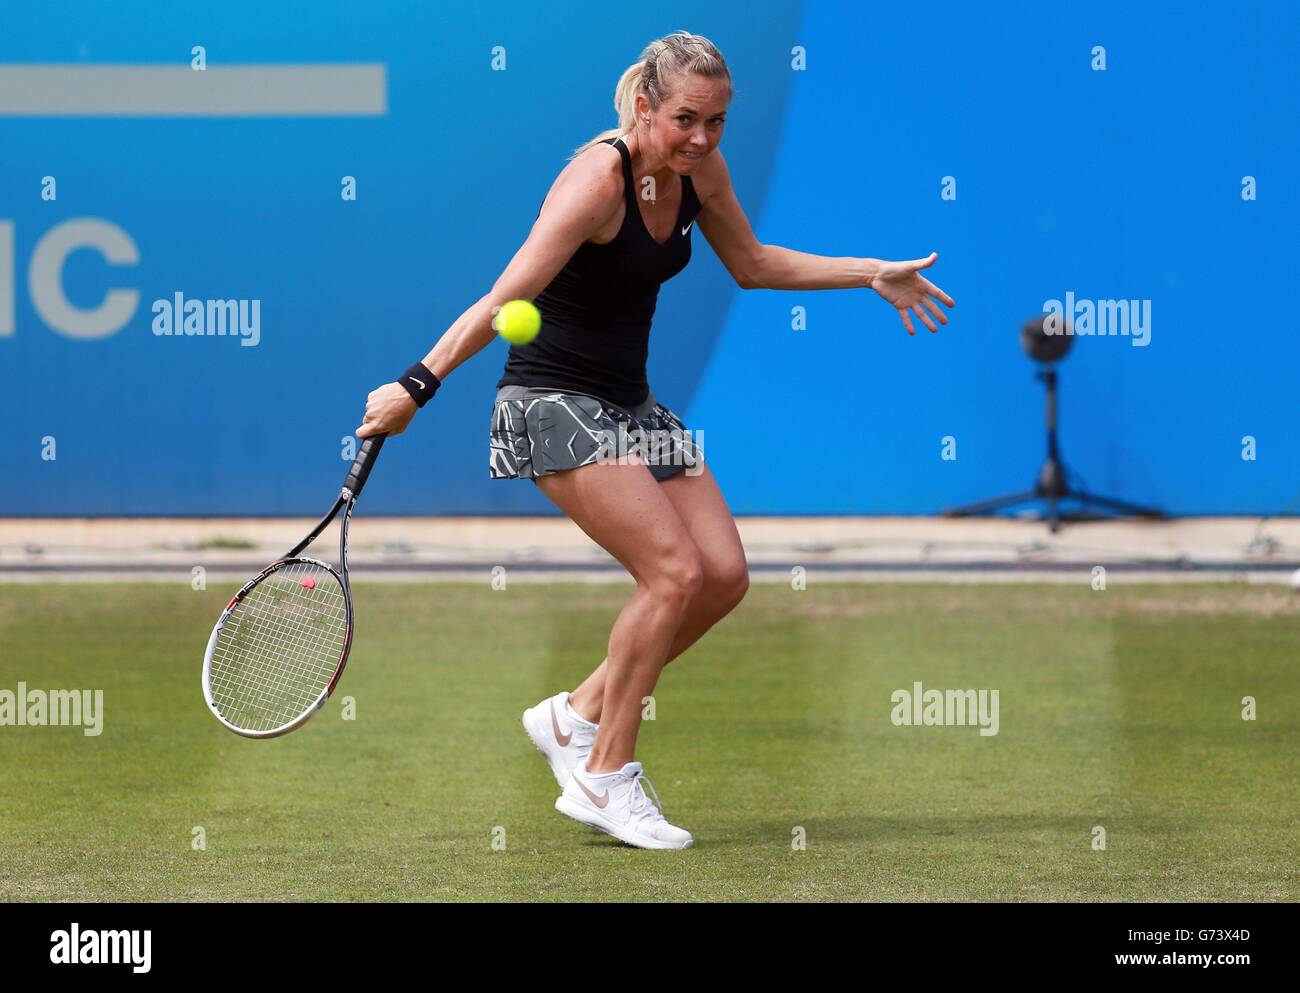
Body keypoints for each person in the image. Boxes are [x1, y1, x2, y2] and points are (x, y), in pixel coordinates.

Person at [356, 30, 955, 850]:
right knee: (672, 572)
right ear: (644, 105)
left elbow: (752, 263)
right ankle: (604, 774)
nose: (702, 139)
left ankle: (574, 714)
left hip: (628, 403)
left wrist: (869, 271)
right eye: (685, 119)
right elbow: (503, 300)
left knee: (723, 576)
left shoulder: (696, 171)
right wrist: (414, 386)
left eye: (715, 123)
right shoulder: (594, 182)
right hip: (549, 401)